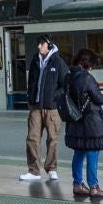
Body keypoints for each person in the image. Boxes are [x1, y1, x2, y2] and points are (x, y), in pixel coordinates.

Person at [64, 49, 103, 200]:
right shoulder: (87, 78)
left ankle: (77, 184)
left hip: (74, 121)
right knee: (92, 152)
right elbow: (98, 98)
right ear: (87, 63)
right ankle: (94, 187)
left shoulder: (68, 76)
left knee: (78, 153)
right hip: (90, 122)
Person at [21, 36, 68, 183]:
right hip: (35, 106)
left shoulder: (58, 62)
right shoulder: (35, 61)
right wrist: (30, 96)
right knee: (32, 138)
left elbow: (65, 84)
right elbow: (31, 81)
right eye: (38, 44)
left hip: (52, 108)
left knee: (52, 139)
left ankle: (52, 169)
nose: (39, 47)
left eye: (41, 44)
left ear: (49, 45)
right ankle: (34, 171)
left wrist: (54, 96)